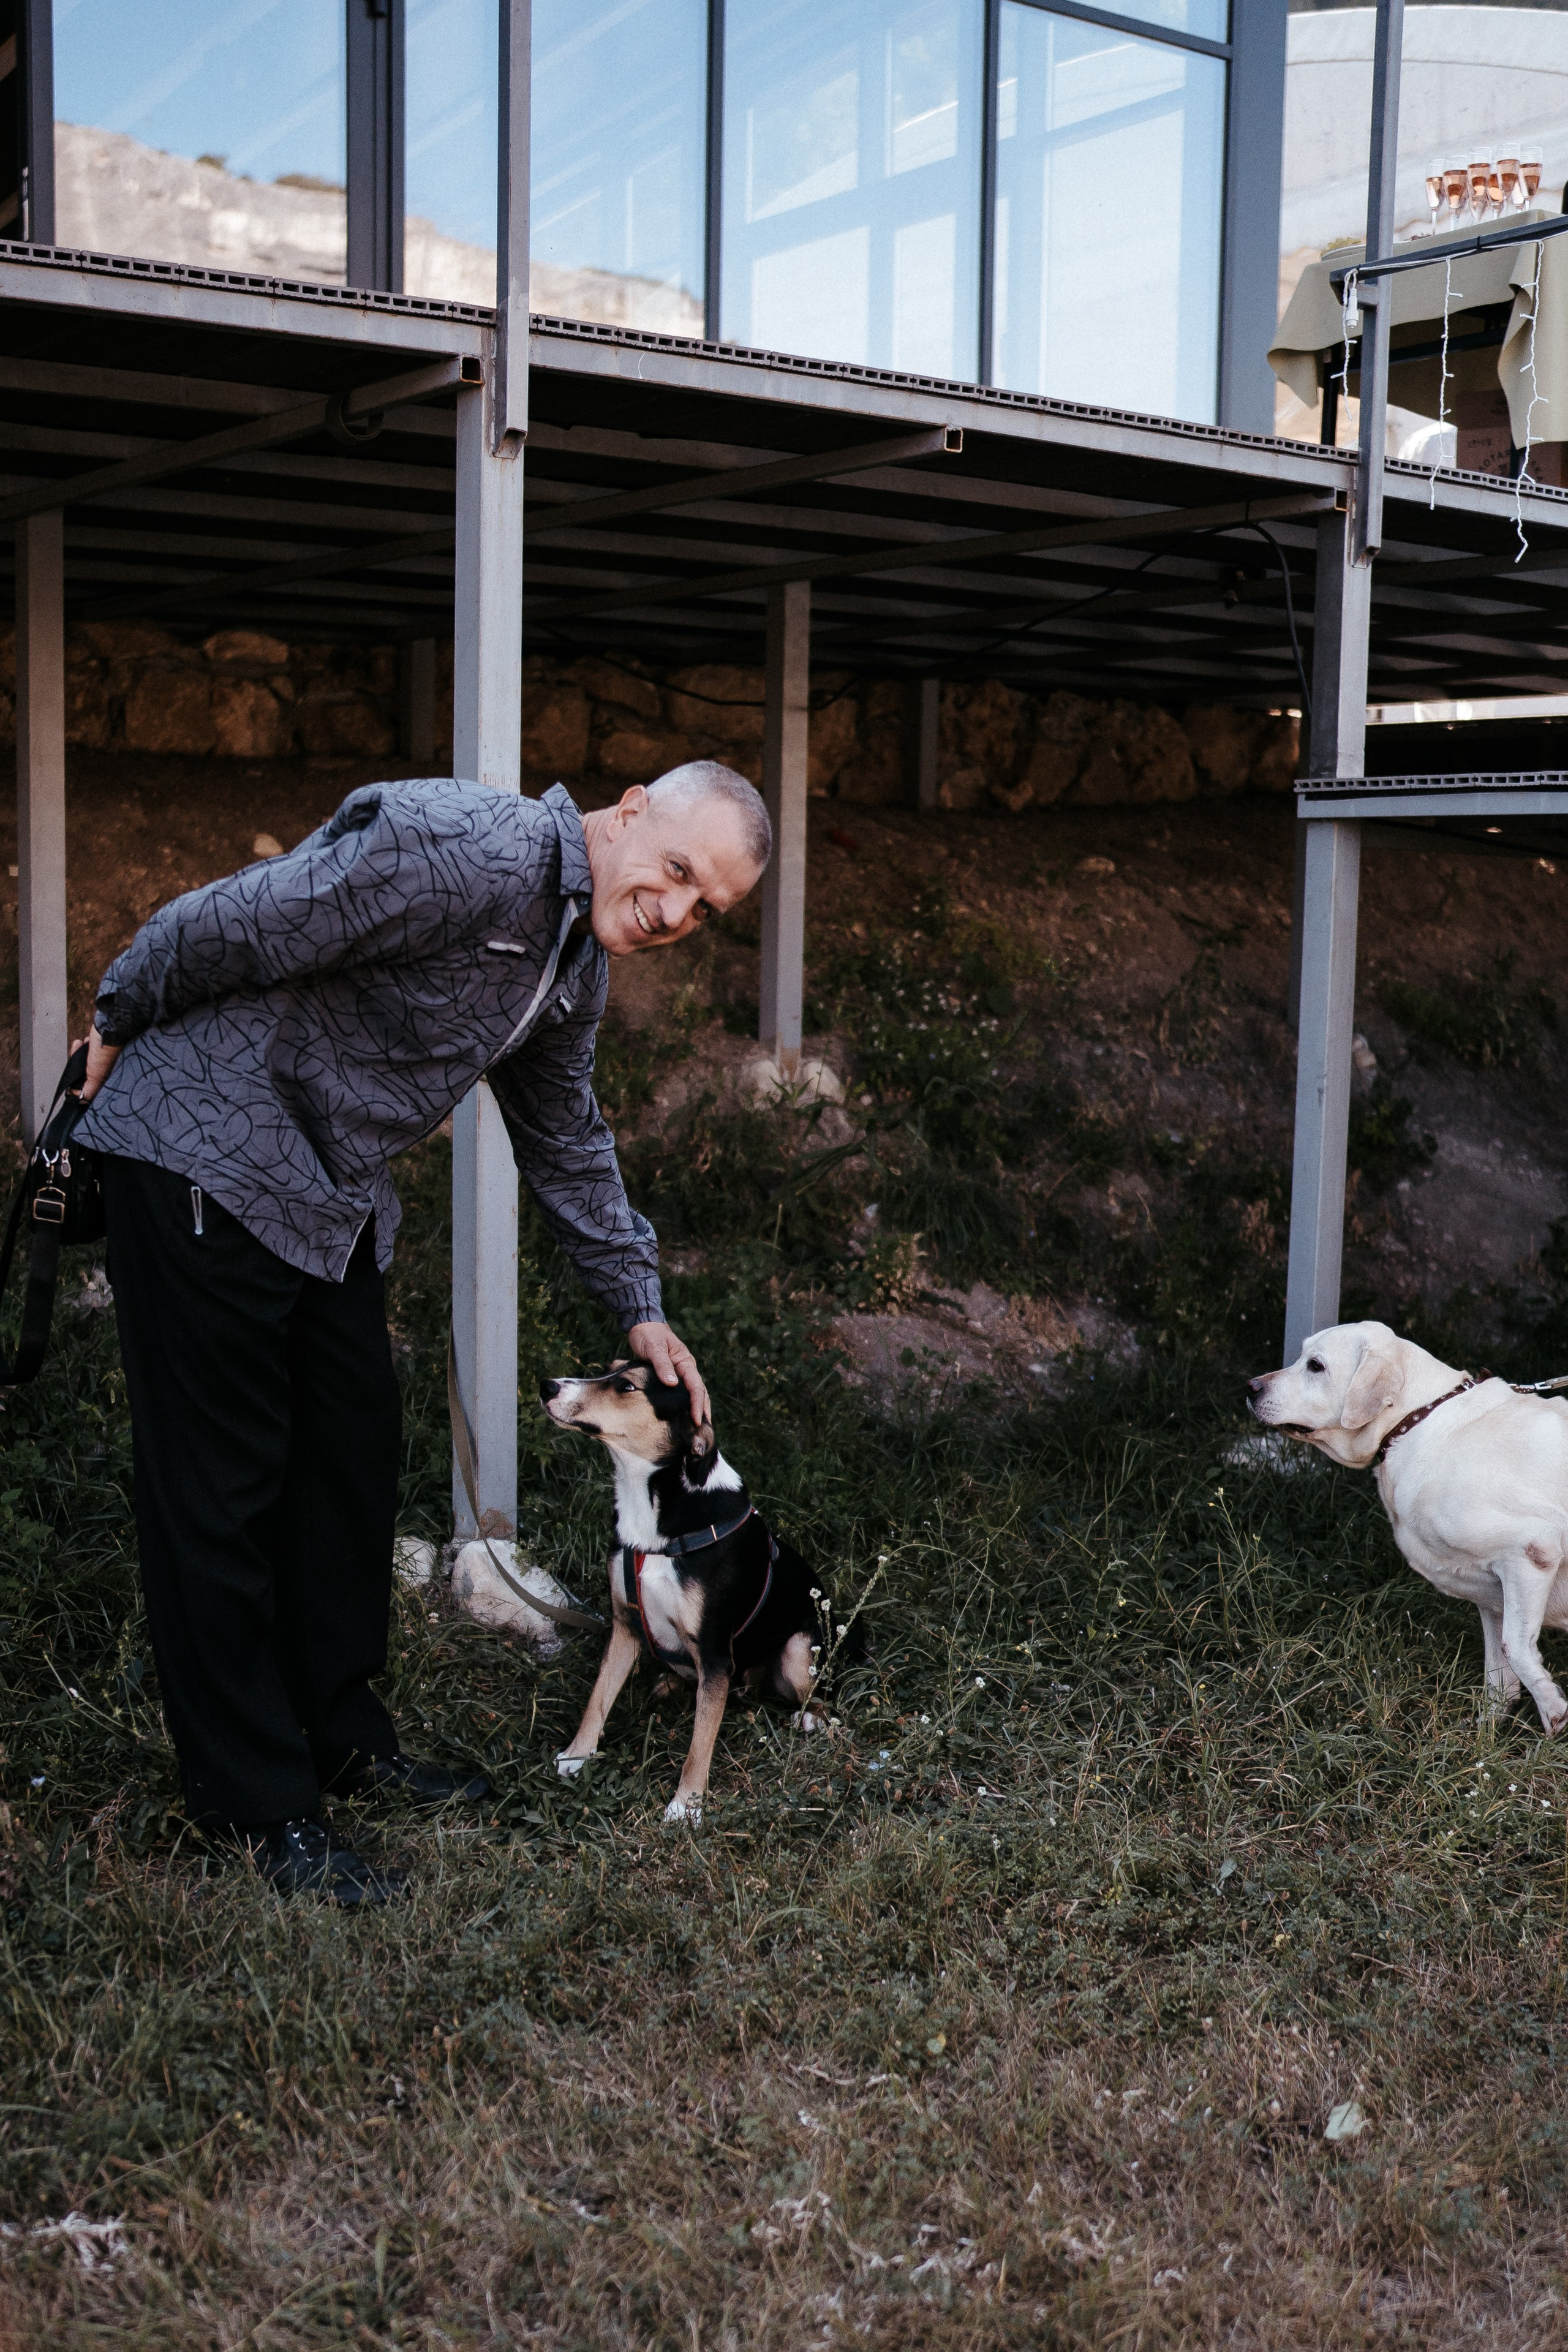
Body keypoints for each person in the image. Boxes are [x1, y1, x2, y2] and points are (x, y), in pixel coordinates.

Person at [74, 761, 771, 1906]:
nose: (674, 911)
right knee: (223, 1491)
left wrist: (638, 1303)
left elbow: (563, 1133)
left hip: (326, 1191)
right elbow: (236, 918)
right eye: (678, 871)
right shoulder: (463, 846)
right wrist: (112, 1019)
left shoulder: (574, 959)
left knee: (347, 1462)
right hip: (206, 1150)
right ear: (633, 805)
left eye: (708, 910)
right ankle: (260, 1807)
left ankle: (342, 1738)